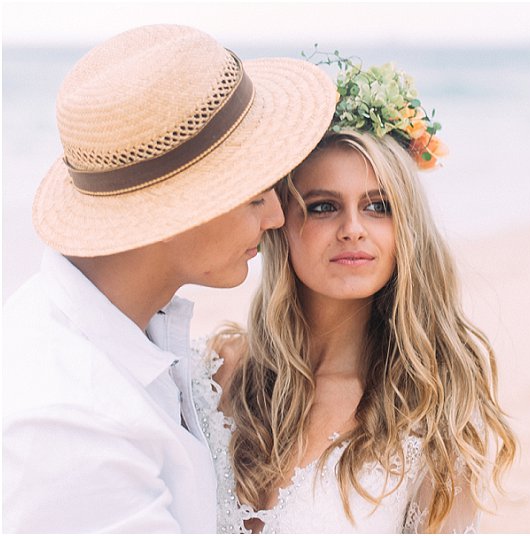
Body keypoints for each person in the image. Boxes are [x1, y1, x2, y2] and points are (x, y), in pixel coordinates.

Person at [2, 24, 336, 533]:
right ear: (170, 213)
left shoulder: (125, 328)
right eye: (253, 194)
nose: (275, 216)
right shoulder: (73, 428)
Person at [190, 56, 517, 533]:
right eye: (323, 207)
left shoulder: (429, 417)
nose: (352, 230)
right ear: (281, 223)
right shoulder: (216, 373)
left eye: (378, 207)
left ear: (406, 229)